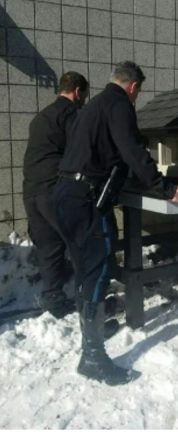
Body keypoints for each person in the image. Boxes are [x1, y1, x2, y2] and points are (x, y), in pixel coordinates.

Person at [54, 61, 178, 385]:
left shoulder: (94, 106)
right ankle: (93, 357)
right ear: (133, 87)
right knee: (99, 270)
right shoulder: (119, 105)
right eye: (137, 94)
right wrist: (165, 186)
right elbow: (131, 150)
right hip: (87, 199)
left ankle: (93, 334)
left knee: (86, 269)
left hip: (66, 194)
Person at [22, 72, 89, 318]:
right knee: (81, 244)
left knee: (49, 246)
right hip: (54, 190)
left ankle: (53, 299)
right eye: (84, 95)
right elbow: (80, 152)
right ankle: (88, 303)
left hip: (31, 191)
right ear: (78, 92)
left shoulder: (40, 117)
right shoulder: (71, 114)